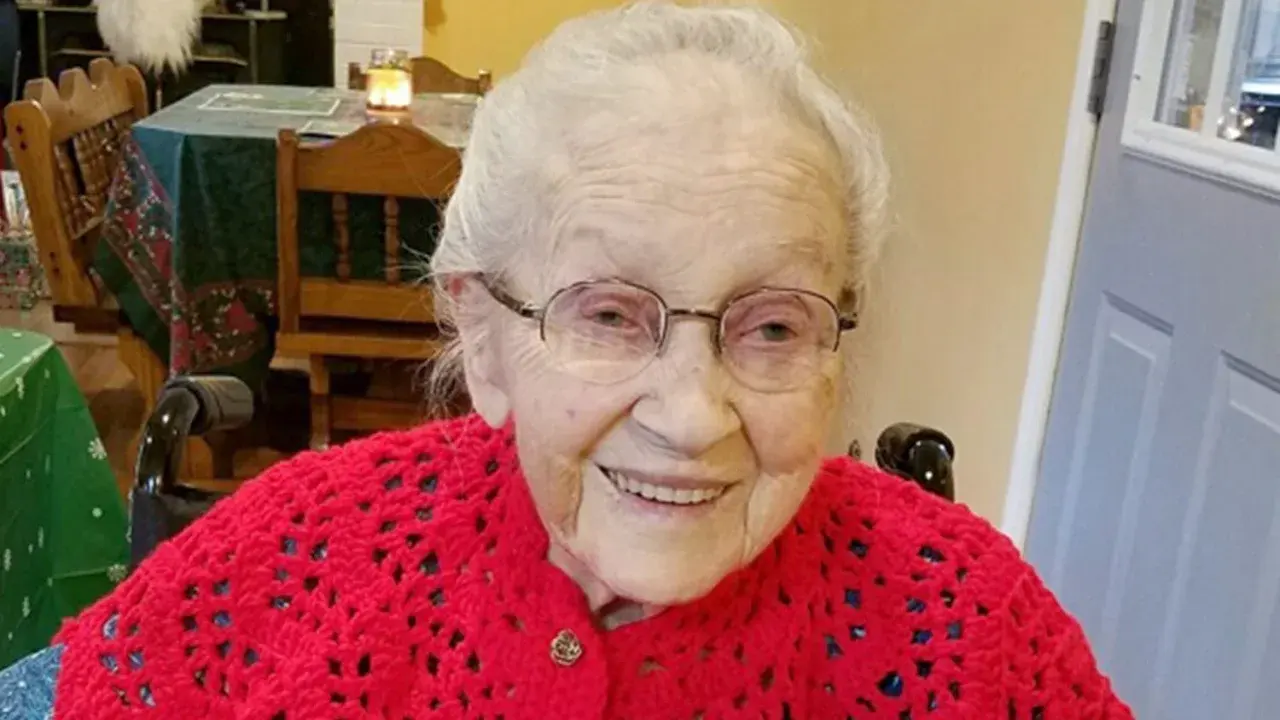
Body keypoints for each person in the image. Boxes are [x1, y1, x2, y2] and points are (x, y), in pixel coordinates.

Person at [45, 3, 1132, 717]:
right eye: (609, 314)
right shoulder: (300, 549)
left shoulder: (967, 624)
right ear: (483, 339)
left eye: (771, 327)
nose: (692, 416)